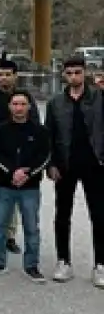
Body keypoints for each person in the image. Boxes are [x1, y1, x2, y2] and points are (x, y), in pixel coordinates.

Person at [45, 56, 104, 287]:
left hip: (95, 164)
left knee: (99, 215)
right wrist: (51, 163)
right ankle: (63, 261)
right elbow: (49, 135)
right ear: (64, 74)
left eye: (78, 72)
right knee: (62, 214)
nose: (74, 77)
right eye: (69, 73)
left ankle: (100, 264)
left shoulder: (99, 98)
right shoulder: (55, 103)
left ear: (85, 72)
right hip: (65, 164)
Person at [0, 90, 51, 281]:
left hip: (30, 187)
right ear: (10, 106)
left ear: (29, 106)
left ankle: (31, 265)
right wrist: (12, 171)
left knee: (31, 227)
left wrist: (27, 173)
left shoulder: (40, 131)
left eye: (23, 104)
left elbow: (44, 156)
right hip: (5, 185)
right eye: (15, 104)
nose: (19, 108)